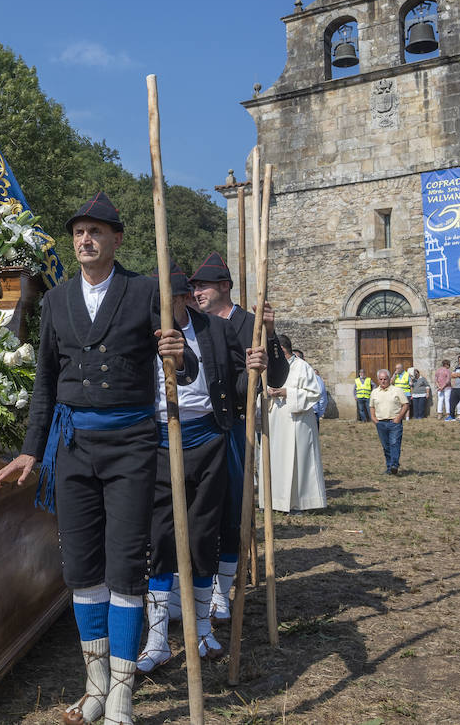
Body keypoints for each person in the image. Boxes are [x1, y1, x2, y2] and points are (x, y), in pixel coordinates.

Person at [0, 193, 186, 725]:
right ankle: (95, 685)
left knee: (125, 567)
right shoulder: (55, 302)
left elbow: (182, 377)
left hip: (132, 447)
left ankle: (123, 693)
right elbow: (45, 386)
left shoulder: (146, 292)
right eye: (78, 232)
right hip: (71, 450)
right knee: (80, 569)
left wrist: (178, 357)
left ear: (117, 239)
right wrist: (31, 451)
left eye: (96, 231)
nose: (85, 239)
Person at [135, 262, 280, 673]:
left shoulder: (214, 331)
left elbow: (234, 389)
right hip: (159, 443)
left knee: (202, 538)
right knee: (160, 540)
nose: (169, 304)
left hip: (208, 441)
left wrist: (252, 371)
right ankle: (159, 641)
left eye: (175, 296)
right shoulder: (143, 334)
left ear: (182, 298)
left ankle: (200, 631)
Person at [189, 254, 281, 623]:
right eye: (193, 287)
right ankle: (197, 586)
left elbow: (275, 377)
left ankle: (222, 591)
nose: (196, 293)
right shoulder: (194, 325)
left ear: (224, 286)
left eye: (203, 286)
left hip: (235, 431)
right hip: (198, 432)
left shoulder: (249, 323)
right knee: (198, 514)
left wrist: (270, 336)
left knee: (232, 511)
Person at [261, 335, 326, 514]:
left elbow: (314, 393)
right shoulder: (269, 368)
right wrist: (267, 392)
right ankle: (272, 501)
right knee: (273, 460)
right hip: (274, 419)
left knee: (297, 462)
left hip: (297, 422)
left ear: (281, 350)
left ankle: (298, 503)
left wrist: (286, 392)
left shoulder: (302, 367)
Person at [369, 369, 409, 475]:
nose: (383, 381)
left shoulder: (397, 390)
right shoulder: (374, 392)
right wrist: (374, 419)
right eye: (381, 379)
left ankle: (394, 465)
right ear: (378, 380)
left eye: (385, 379)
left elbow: (405, 404)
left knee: (394, 443)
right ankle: (389, 468)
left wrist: (399, 418)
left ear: (389, 379)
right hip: (380, 423)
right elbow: (372, 406)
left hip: (394, 423)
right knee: (386, 446)